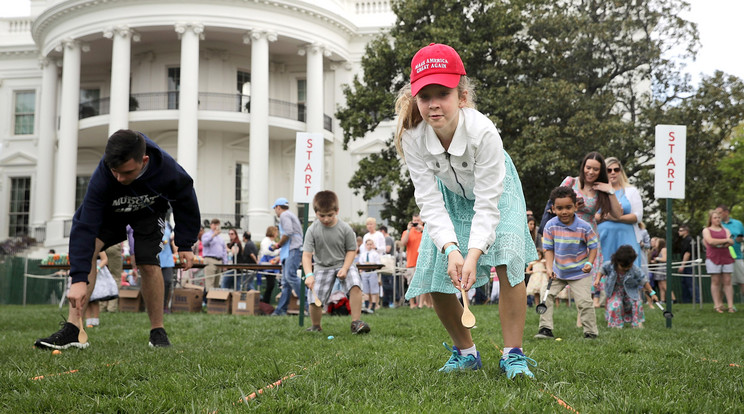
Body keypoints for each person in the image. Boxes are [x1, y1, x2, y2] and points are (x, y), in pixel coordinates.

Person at [395, 43, 537, 378]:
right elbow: (428, 199)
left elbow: (488, 203)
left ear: (461, 96)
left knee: (508, 258)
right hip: (450, 196)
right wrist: (451, 249)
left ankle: (513, 354)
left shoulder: (483, 132)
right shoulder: (413, 137)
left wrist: (472, 254)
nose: (433, 104)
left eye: (442, 94)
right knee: (433, 271)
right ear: (415, 98)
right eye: (424, 95)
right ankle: (466, 353)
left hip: (496, 191)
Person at [34, 129, 199, 350]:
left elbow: (185, 198)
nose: (120, 178)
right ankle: (74, 329)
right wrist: (78, 279)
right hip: (112, 213)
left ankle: (157, 331)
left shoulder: (166, 169)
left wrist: (186, 243)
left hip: (148, 212)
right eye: (115, 172)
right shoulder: (103, 176)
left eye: (127, 172)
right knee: (90, 247)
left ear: (144, 161)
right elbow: (84, 226)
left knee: (148, 263)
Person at [302, 190, 370, 334]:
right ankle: (316, 326)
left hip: (344, 264)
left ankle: (356, 323)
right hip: (323, 267)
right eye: (322, 216)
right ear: (316, 213)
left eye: (330, 215)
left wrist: (345, 268)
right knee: (314, 297)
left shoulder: (345, 228)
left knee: (355, 285)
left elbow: (352, 250)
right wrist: (309, 275)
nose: (326, 219)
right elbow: (307, 255)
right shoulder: (312, 230)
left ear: (337, 211)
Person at [536, 186, 599, 340]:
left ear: (576, 206)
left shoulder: (584, 227)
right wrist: (549, 268)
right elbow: (548, 249)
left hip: (580, 272)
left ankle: (590, 332)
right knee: (546, 295)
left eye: (568, 207)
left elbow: (593, 246)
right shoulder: (550, 226)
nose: (564, 211)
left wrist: (590, 263)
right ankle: (545, 329)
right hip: (559, 272)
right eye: (560, 208)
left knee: (584, 302)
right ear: (553, 208)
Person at [595, 157, 643, 308]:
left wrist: (614, 217)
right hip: (604, 237)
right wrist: (606, 217)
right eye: (609, 170)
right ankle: (605, 302)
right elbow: (593, 215)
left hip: (626, 236)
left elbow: (637, 216)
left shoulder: (631, 191)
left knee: (629, 266)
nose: (613, 173)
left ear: (621, 171)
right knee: (604, 267)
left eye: (616, 169)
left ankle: (633, 305)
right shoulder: (598, 190)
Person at [596, 245, 658, 328]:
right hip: (615, 291)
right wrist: (597, 279)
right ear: (617, 261)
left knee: (636, 303)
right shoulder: (610, 265)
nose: (626, 269)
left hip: (630, 291)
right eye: (623, 266)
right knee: (616, 305)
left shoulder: (635, 269)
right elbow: (602, 270)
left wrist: (652, 293)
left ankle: (637, 323)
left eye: (629, 266)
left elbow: (644, 281)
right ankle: (616, 324)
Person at [271, 197, 305, 316]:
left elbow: (288, 232)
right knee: (285, 282)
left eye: (275, 208)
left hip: (293, 249)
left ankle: (308, 302)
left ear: (278, 207)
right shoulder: (290, 214)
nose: (275, 211)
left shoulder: (284, 216)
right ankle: (280, 310)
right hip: (290, 250)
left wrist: (278, 245)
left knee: (290, 277)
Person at [702, 210, 736, 312]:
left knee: (727, 281)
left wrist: (721, 242)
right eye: (715, 218)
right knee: (715, 281)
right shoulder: (706, 230)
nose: (717, 219)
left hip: (726, 257)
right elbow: (710, 241)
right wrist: (725, 241)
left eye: (718, 217)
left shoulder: (725, 230)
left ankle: (730, 306)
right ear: (711, 219)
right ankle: (717, 305)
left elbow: (731, 242)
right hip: (713, 257)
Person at [400, 213, 430, 309]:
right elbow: (403, 243)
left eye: (418, 221)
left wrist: (422, 230)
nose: (416, 223)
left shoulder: (426, 231)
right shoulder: (407, 232)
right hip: (411, 262)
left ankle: (421, 304)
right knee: (411, 284)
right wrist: (409, 229)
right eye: (414, 221)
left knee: (423, 284)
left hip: (423, 262)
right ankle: (412, 304)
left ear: (422, 221)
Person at [716, 205, 744, 304]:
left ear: (726, 212)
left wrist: (740, 239)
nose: (717, 215)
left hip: (737, 256)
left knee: (742, 281)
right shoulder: (717, 224)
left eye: (719, 213)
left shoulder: (738, 223)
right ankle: (721, 305)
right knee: (722, 283)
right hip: (721, 257)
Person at [85, 251, 118, 327]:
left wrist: (98, 268)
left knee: (94, 300)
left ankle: (95, 320)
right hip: (86, 272)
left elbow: (105, 259)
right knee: (87, 300)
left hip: (98, 274)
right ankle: (88, 321)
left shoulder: (98, 247)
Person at [202, 218, 227, 291]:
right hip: (210, 260)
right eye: (214, 224)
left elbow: (224, 251)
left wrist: (225, 263)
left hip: (219, 261)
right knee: (210, 282)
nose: (216, 226)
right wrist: (213, 235)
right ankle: (209, 300)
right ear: (211, 225)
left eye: (217, 224)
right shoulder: (207, 235)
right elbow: (204, 243)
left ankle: (215, 300)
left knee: (217, 283)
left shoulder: (221, 238)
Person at [258, 226, 280, 304]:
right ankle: (265, 302)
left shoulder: (273, 242)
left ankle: (266, 302)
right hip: (266, 264)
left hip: (272, 265)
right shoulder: (265, 241)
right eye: (276, 232)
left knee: (271, 284)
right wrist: (277, 252)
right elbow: (266, 252)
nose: (277, 234)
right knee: (270, 284)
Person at [359, 239, 382, 313]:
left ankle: (373, 306)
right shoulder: (363, 254)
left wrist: (370, 263)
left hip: (372, 272)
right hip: (365, 273)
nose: (369, 246)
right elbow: (361, 262)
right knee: (365, 290)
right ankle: (366, 305)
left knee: (374, 290)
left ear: (372, 245)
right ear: (365, 245)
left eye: (370, 244)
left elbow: (378, 263)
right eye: (367, 244)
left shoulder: (375, 254)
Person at [159, 219, 176, 312]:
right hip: (155, 257)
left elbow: (169, 239)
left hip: (167, 258)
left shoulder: (168, 225)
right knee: (155, 283)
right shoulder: (151, 221)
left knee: (167, 281)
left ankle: (164, 306)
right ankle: (154, 306)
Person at [677, 224, 697, 303]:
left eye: (681, 230)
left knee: (690, 282)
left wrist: (683, 265)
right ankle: (686, 301)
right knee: (685, 283)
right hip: (688, 263)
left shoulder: (688, 240)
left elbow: (687, 253)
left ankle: (696, 300)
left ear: (686, 231)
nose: (679, 232)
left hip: (689, 263)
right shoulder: (686, 240)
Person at [649, 237, 670, 304]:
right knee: (660, 286)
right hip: (656, 268)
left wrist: (657, 259)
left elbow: (665, 259)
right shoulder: (654, 250)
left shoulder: (663, 249)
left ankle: (672, 299)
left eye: (655, 242)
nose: (654, 243)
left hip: (660, 269)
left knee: (663, 285)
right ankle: (662, 300)